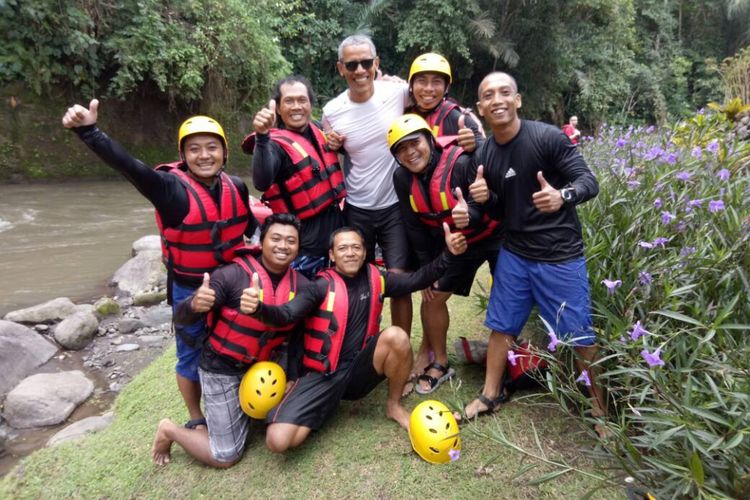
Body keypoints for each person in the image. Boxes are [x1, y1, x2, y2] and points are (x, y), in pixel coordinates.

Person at [62, 100, 258, 430]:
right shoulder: (169, 189)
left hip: (229, 282)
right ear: (183, 156)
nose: (204, 155)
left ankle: (239, 399)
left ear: (224, 153)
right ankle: (196, 418)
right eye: (194, 149)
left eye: (212, 147)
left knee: (237, 340)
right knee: (190, 354)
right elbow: (129, 166)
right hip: (189, 286)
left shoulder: (236, 186)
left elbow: (250, 227)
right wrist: (89, 131)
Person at [463, 72, 607, 435]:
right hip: (515, 252)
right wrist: (484, 201)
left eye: (504, 93)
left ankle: (600, 410)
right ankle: (491, 393)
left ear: (518, 99)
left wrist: (562, 197)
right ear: (480, 107)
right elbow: (500, 212)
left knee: (579, 336)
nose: (497, 100)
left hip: (559, 255)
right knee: (501, 325)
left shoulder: (547, 138)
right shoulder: (484, 153)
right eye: (488, 95)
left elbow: (589, 182)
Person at [242, 225, 467, 453]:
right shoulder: (318, 287)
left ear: (364, 251)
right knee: (278, 441)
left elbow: (417, 280)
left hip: (360, 371)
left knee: (397, 336)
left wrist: (448, 254)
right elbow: (286, 315)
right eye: (342, 248)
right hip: (323, 375)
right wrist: (259, 309)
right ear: (332, 254)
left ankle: (394, 405)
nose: (350, 252)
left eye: (356, 247)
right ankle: (324, 404)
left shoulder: (377, 278)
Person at [151, 213, 307, 467]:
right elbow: (181, 318)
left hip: (261, 368)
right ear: (262, 240)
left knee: (271, 420)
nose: (283, 246)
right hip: (221, 367)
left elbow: (296, 337)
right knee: (225, 455)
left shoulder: (301, 285)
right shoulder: (231, 275)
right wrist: (193, 304)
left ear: (298, 247)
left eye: (291, 241)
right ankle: (169, 430)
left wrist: (290, 375)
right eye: (276, 238)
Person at [388, 114, 501, 395]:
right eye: (401, 149)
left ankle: (504, 360)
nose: (410, 152)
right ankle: (439, 361)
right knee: (432, 296)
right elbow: (414, 226)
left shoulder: (462, 162)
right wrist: (428, 270)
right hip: (457, 244)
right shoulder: (402, 178)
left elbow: (487, 200)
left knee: (507, 298)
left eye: (415, 143)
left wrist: (470, 215)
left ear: (430, 140)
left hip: (494, 236)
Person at [321, 34, 414, 337]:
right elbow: (330, 157)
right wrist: (333, 145)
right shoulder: (332, 112)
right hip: (357, 207)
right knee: (358, 278)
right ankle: (363, 344)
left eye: (365, 63)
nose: (359, 70)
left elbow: (435, 104)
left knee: (399, 280)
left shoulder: (399, 92)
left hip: (395, 207)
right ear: (340, 68)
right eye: (352, 64)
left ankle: (399, 346)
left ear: (376, 64)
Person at [243, 75, 346, 279]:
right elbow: (261, 181)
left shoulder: (318, 129)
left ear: (310, 104)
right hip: (305, 246)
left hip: (334, 237)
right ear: (279, 109)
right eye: (289, 101)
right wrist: (262, 136)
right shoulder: (274, 144)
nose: (296, 106)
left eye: (302, 100)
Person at [406, 52, 484, 153]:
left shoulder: (458, 118)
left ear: (446, 88)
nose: (429, 88)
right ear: (411, 85)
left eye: (436, 82)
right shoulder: (404, 112)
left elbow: (484, 148)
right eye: (422, 81)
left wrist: (475, 145)